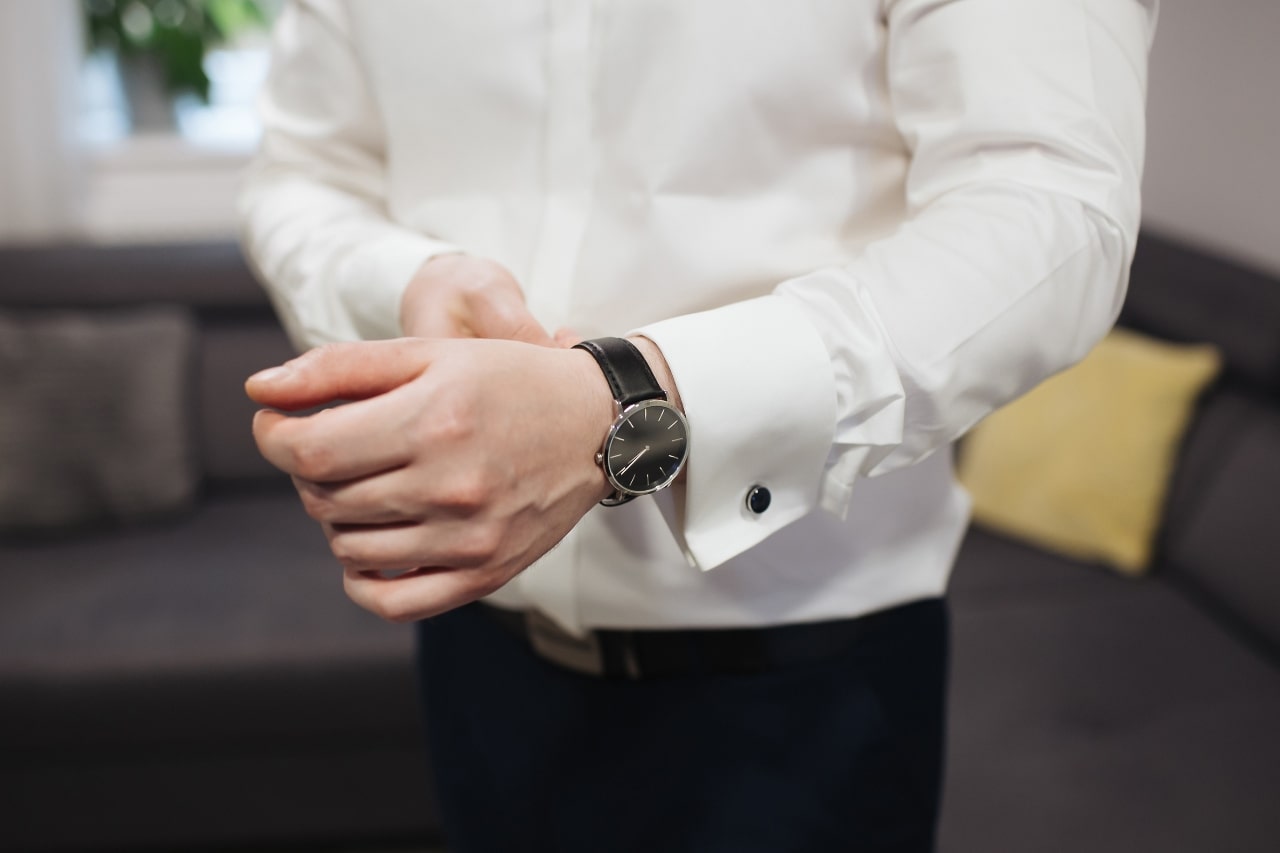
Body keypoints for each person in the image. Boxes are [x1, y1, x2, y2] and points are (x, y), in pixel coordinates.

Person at [240, 2, 1157, 850]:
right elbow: (302, 171)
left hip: (805, 678)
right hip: (475, 652)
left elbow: (1050, 212)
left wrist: (630, 398)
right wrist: (407, 281)